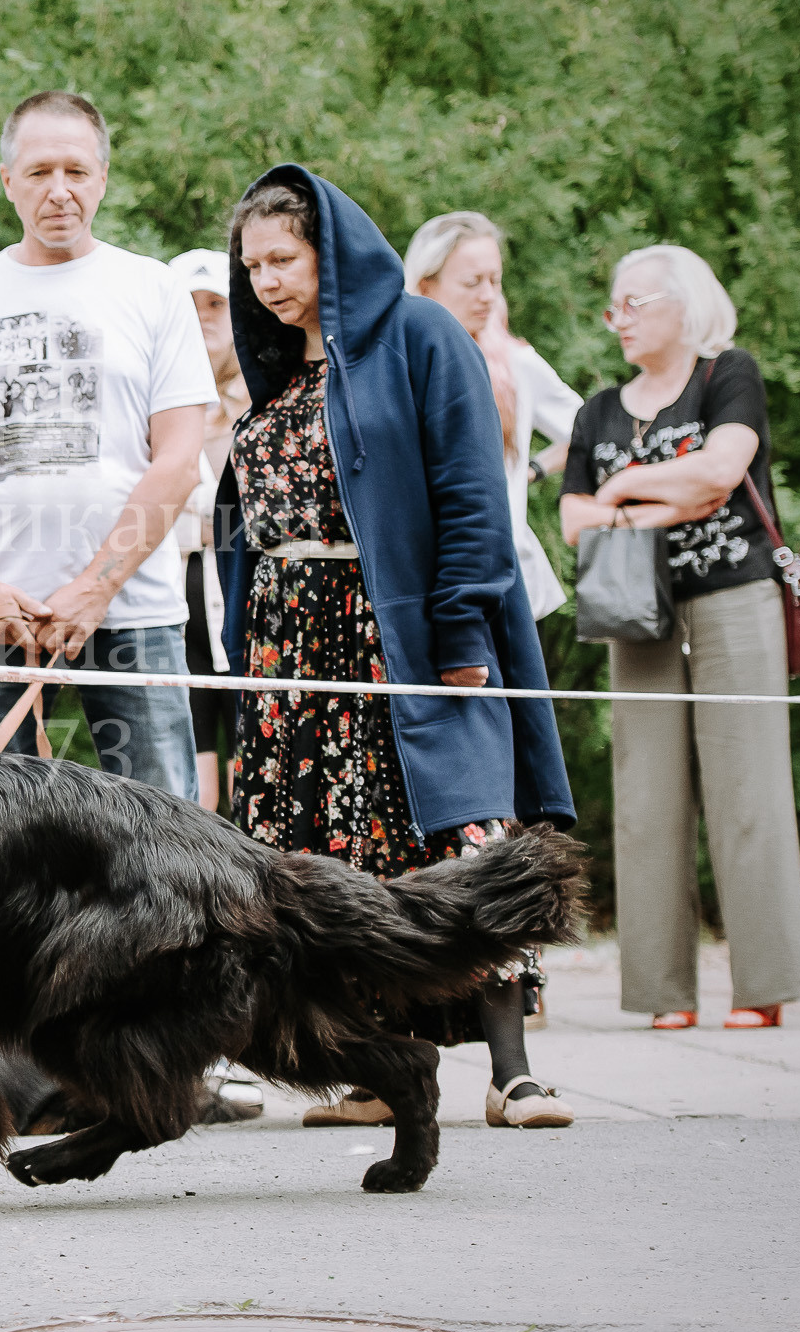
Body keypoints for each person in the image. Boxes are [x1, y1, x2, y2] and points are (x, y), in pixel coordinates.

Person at [216, 166, 577, 1131]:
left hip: (401, 635)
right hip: (292, 651)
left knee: (463, 833)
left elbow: (472, 496)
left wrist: (461, 632)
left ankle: (515, 1074)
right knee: (336, 858)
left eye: (283, 259)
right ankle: (382, 1070)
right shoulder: (279, 367)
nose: (267, 281)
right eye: (251, 266)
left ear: (330, 250)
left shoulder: (421, 336)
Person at [0, 91, 214, 793]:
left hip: (134, 609)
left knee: (169, 835)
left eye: (77, 171)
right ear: (8, 180)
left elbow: (178, 459)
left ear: (103, 178)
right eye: (40, 171)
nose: (59, 191)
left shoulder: (154, 288)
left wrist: (95, 589)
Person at [560, 244, 800, 1030]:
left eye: (635, 303)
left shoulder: (726, 372)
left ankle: (761, 986)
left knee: (750, 787)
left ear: (685, 303)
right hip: (631, 608)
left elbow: (721, 470)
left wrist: (627, 486)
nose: (620, 319)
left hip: (735, 595)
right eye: (614, 306)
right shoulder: (597, 408)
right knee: (645, 799)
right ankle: (662, 993)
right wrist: (666, 496)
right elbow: (575, 522)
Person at [402, 211, 584, 616]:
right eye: (472, 282)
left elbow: (592, 430)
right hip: (414, 580)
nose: (488, 296)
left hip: (498, 580)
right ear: (425, 287)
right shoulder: (394, 367)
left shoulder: (517, 364)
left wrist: (531, 468)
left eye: (495, 280)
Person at [169, 249, 253, 811]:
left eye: (216, 304)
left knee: (254, 760)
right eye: (189, 305)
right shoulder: (159, 408)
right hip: (176, 610)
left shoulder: (265, 404)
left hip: (244, 602)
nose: (203, 317)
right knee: (192, 778)